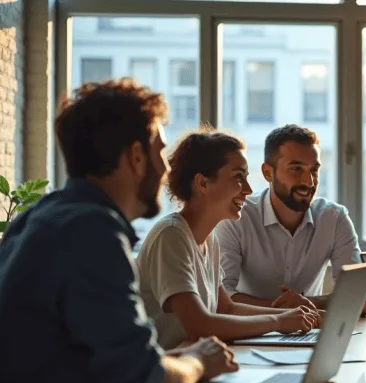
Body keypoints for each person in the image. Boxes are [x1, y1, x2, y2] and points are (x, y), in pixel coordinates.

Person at [0, 79, 238, 383]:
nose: (167, 169)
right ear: (136, 157)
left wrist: (175, 361)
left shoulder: (42, 216)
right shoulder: (93, 232)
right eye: (159, 151)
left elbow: (111, 364)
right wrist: (199, 363)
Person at [137, 130, 322, 350]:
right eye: (238, 177)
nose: (248, 189)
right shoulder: (170, 236)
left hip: (197, 363)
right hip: (168, 375)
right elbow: (199, 325)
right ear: (202, 183)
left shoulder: (209, 240)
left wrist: (297, 315)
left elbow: (227, 309)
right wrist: (279, 321)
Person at [216, 124, 366, 313]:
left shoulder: (334, 218)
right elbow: (222, 299)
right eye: (296, 169)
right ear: (267, 173)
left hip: (312, 333)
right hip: (249, 335)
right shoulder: (236, 218)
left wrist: (306, 304)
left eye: (314, 170)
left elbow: (361, 301)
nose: (309, 182)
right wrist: (287, 313)